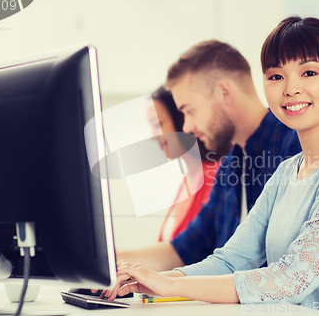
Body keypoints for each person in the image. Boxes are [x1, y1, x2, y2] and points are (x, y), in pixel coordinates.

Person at [105, 16, 319, 315]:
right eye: (275, 76)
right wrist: (146, 281)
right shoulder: (287, 172)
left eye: (309, 72)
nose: (291, 88)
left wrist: (171, 287)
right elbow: (229, 261)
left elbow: (291, 278)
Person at [116, 40, 301, 272]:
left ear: (224, 92)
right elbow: (182, 250)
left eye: (190, 111)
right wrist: (110, 259)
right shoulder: (230, 168)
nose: (186, 127)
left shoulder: (295, 146)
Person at [147, 86, 226, 241]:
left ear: (181, 120)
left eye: (157, 124)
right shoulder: (186, 181)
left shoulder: (215, 176)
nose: (152, 136)